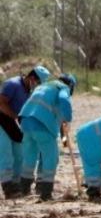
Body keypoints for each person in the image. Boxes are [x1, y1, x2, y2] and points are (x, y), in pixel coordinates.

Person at [17, 73, 75, 201]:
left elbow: (62, 129)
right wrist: (68, 118)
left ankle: (24, 189)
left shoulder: (45, 86)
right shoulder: (62, 88)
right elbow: (65, 101)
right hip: (42, 124)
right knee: (51, 158)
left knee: (29, 157)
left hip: (26, 121)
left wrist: (65, 141)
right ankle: (46, 193)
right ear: (70, 85)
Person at [0, 65, 49, 199]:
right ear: (32, 78)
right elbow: (1, 103)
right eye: (38, 82)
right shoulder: (12, 84)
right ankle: (8, 186)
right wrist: (15, 116)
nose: (38, 86)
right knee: (5, 153)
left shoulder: (30, 91)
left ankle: (17, 184)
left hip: (13, 122)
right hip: (2, 120)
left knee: (19, 154)